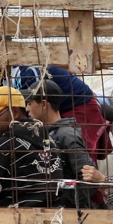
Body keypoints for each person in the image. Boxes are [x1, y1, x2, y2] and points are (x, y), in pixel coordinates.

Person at [11, 65, 112, 163]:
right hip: (57, 108)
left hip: (79, 105)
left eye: (29, 104)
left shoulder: (29, 70)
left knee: (80, 151)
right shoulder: (5, 75)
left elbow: (35, 99)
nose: (27, 108)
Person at [25, 80, 95, 209]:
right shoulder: (45, 134)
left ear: (44, 104)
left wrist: (65, 202)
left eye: (30, 103)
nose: (27, 109)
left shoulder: (66, 135)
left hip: (67, 215)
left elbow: (89, 180)